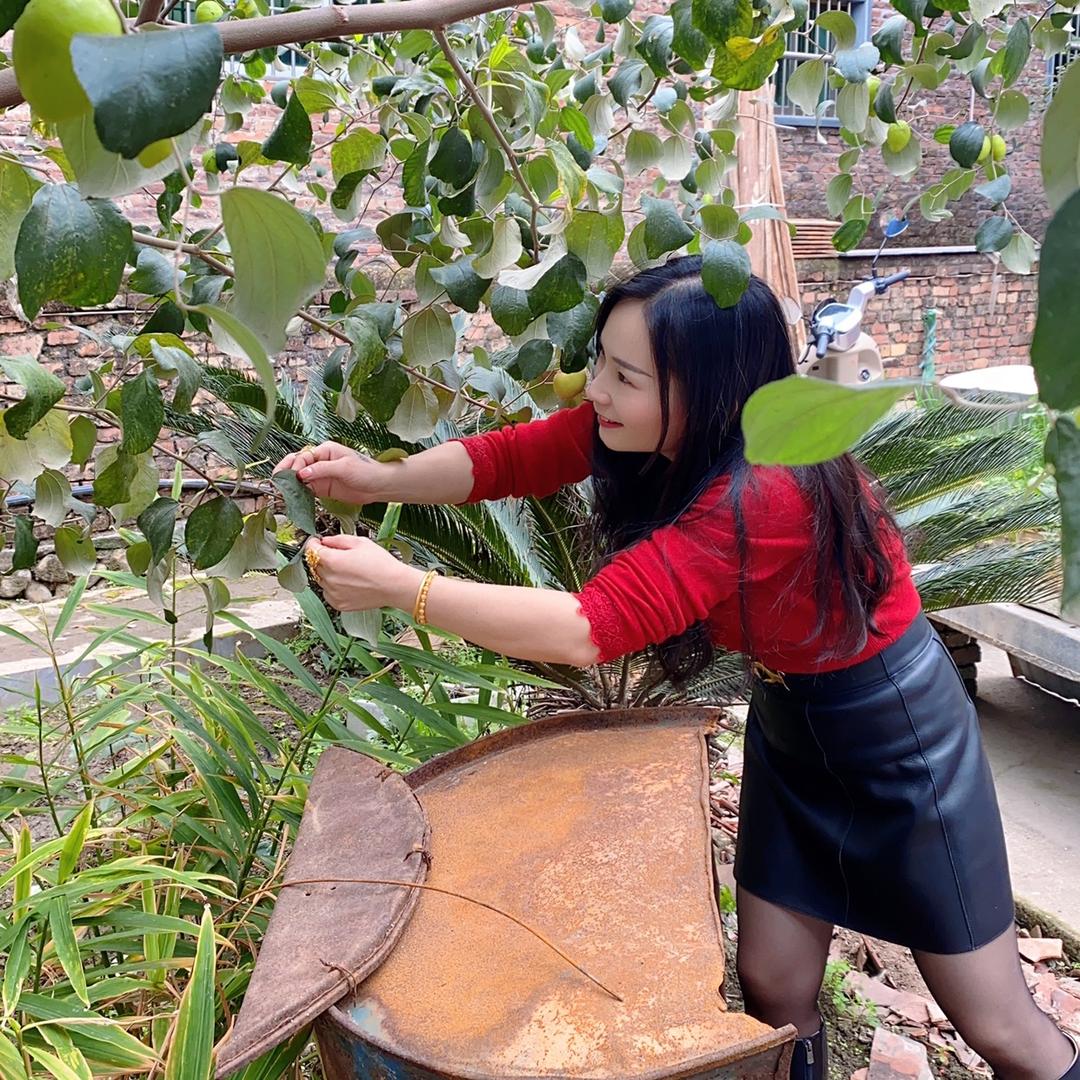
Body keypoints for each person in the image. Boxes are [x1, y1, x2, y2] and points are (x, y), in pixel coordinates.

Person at [273, 256, 1079, 1080]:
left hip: (896, 741)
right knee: (774, 983)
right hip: (792, 724)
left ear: (710, 387)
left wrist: (405, 588)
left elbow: (590, 628)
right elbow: (510, 459)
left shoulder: (764, 492)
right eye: (601, 364)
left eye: (625, 376)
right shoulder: (659, 430)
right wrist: (377, 480)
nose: (595, 392)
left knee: (996, 1021)